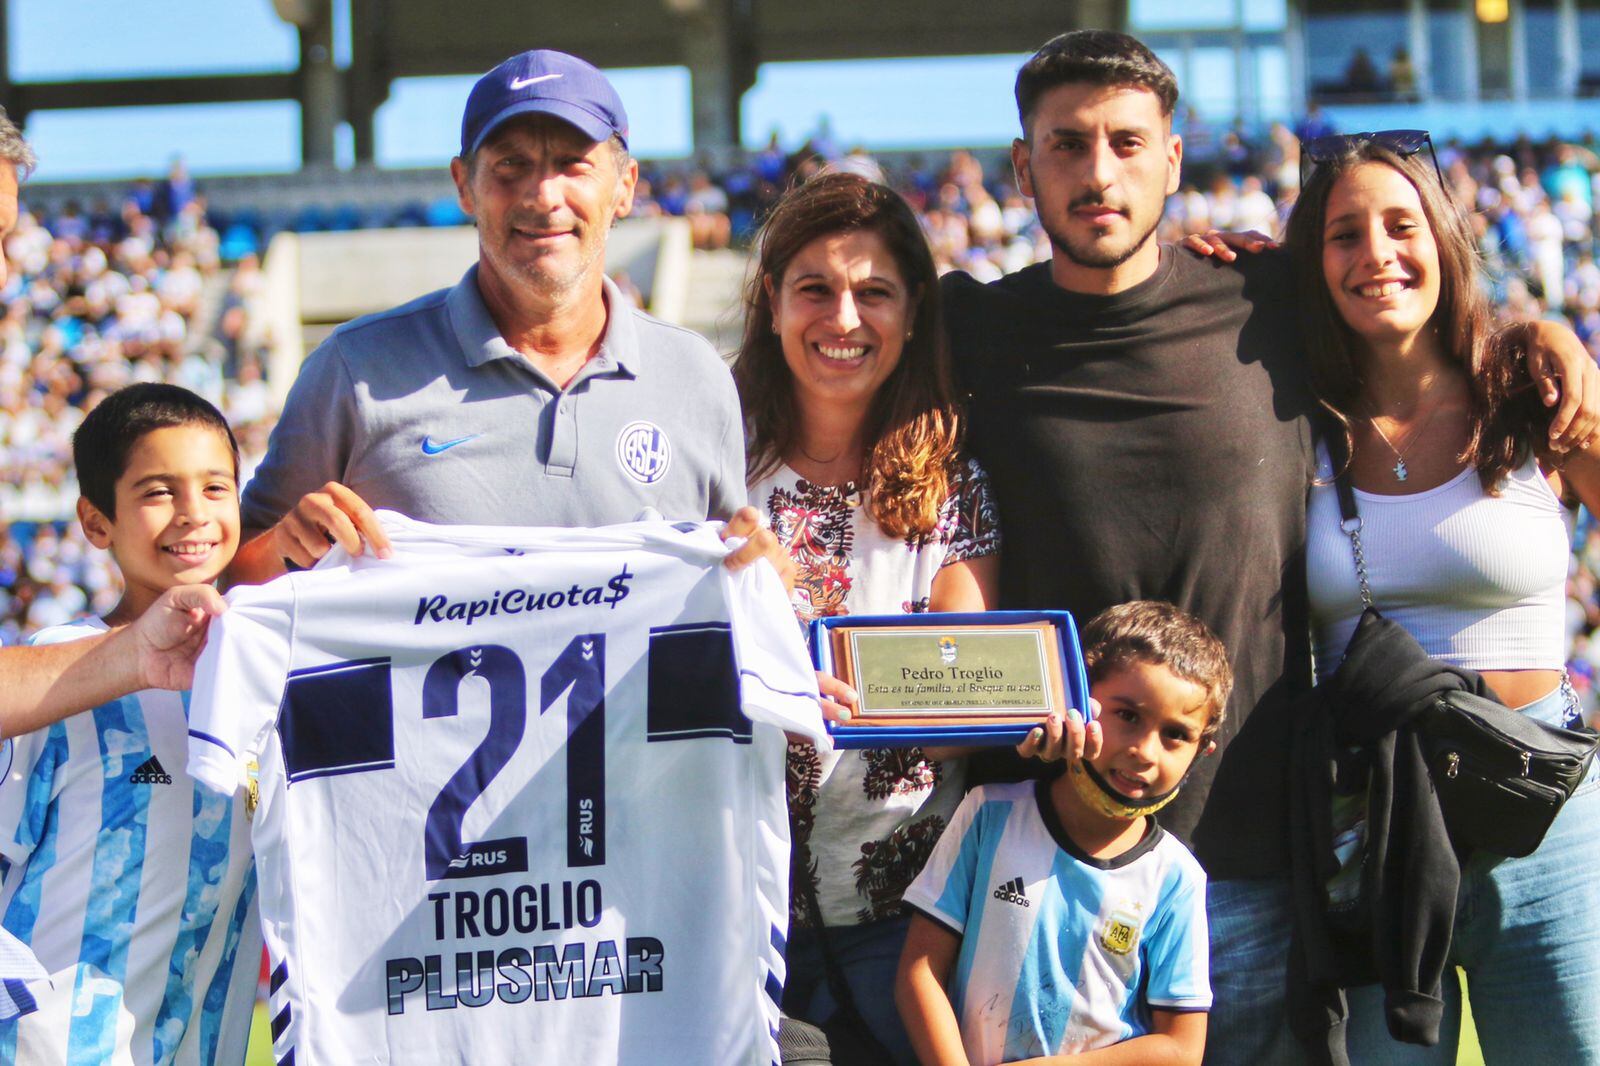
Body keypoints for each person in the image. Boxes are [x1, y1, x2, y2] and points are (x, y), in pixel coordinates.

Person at [940, 31, 1600, 1064]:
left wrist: (1537, 334)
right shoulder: (972, 327)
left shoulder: (1272, 309)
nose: (1098, 172)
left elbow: (1405, 294)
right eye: (1066, 146)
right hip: (1107, 852)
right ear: (1020, 167)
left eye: (1126, 142)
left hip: (1311, 853)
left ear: (1174, 155)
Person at [228, 48, 786, 584]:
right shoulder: (352, 371)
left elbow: (734, 581)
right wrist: (283, 550)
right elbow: (235, 579)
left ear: (625, 188)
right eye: (510, 165)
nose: (543, 196)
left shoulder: (694, 375)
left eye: (573, 165)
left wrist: (765, 575)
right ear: (464, 186)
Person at [1285, 132, 1600, 1063]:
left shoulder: (1535, 392)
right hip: (1370, 819)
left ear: (1445, 240)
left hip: (1541, 808)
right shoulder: (1287, 420)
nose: (1376, 253)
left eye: (1400, 224)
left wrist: (1552, 340)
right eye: (1343, 234)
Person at [738, 172, 1052, 1062]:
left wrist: (819, 679)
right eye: (815, 290)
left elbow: (967, 698)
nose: (844, 318)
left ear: (913, 314)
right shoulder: (705, 464)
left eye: (874, 293)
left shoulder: (951, 484)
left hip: (902, 926)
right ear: (771, 304)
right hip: (726, 911)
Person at [0, 384, 261, 1064]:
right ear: (95, 523)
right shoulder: (55, 678)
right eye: (156, 492)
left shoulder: (265, 674)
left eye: (214, 488)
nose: (191, 514)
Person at [895, 601, 1231, 1066]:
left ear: (1202, 750)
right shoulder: (989, 814)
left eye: (1175, 734)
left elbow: (1180, 1047)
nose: (1144, 752)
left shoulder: (1176, 878)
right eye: (1128, 716)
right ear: (1075, 697)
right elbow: (920, 973)